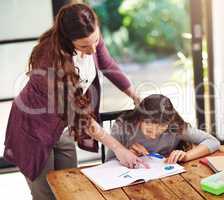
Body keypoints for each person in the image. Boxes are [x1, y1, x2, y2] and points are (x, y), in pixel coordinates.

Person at [3, 3, 146, 200]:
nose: (93, 49)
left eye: (96, 41)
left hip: (61, 128)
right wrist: (119, 149)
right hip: (32, 131)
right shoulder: (49, 61)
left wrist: (135, 96)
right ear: (67, 40)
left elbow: (108, 64)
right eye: (84, 46)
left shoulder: (90, 37)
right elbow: (80, 118)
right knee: (47, 196)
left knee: (70, 189)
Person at [106, 94, 221, 163]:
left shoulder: (175, 127)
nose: (152, 136)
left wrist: (186, 156)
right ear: (140, 118)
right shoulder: (123, 126)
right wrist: (126, 154)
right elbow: (109, 163)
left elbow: (213, 142)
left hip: (166, 179)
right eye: (149, 131)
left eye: (159, 132)